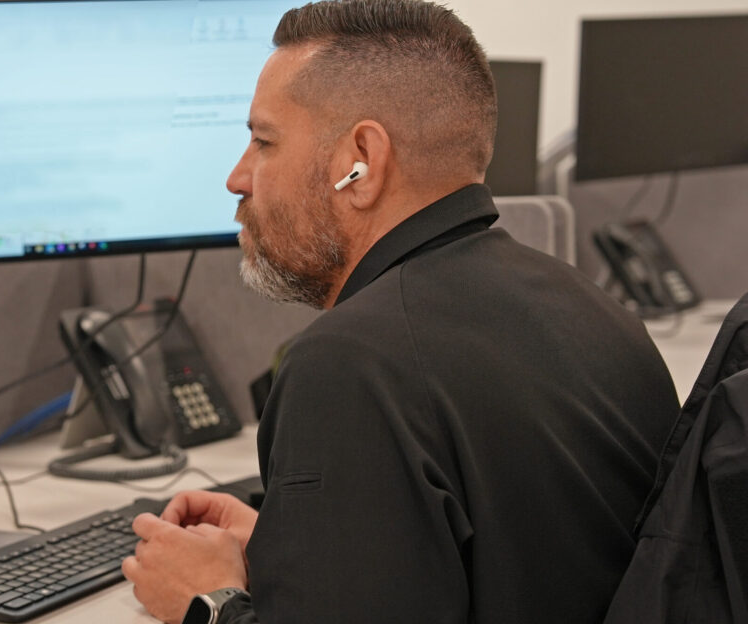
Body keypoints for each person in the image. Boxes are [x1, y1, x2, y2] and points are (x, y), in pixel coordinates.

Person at [120, 1, 680, 622]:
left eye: (263, 140)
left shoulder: (350, 364)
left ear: (360, 163)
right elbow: (520, 553)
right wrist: (298, 543)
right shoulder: (594, 309)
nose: (238, 177)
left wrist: (209, 601)